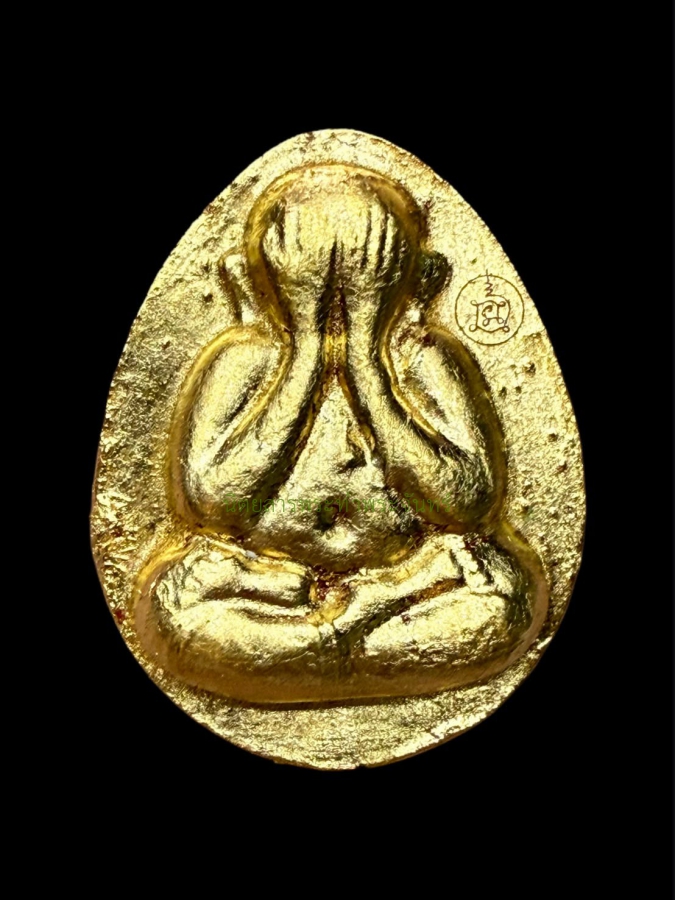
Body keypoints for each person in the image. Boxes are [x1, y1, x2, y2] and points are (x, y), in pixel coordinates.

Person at [135, 164, 547, 703]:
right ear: (251, 279)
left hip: (408, 587)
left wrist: (367, 362)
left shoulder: (424, 357)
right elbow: (215, 502)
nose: (339, 301)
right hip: (262, 589)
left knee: (508, 597)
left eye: (360, 283)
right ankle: (347, 639)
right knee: (169, 608)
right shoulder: (243, 358)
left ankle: (316, 647)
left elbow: (466, 504)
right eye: (314, 282)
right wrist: (306, 350)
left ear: (422, 279)